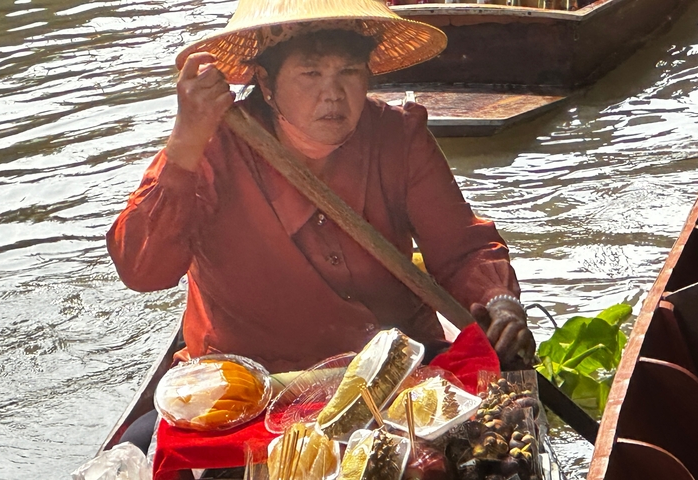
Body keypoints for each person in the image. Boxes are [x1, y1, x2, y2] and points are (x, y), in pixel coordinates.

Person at [108, 0, 534, 386]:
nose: (332, 94)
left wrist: (498, 301)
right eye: (310, 73)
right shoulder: (209, 147)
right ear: (265, 81)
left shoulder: (399, 136)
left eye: (348, 72)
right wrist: (184, 142)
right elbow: (143, 271)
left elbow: (460, 247)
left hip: (398, 365)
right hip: (254, 383)